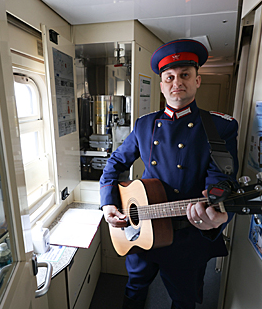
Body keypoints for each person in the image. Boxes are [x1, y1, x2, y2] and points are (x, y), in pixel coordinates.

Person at [100, 39, 239, 309]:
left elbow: (223, 179)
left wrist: (218, 210)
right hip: (141, 227)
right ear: (162, 85)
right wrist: (108, 203)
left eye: (185, 75)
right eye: (170, 77)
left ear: (197, 80)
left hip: (188, 237)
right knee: (134, 286)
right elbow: (115, 162)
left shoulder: (219, 127)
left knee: (183, 297)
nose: (178, 82)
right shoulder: (144, 125)